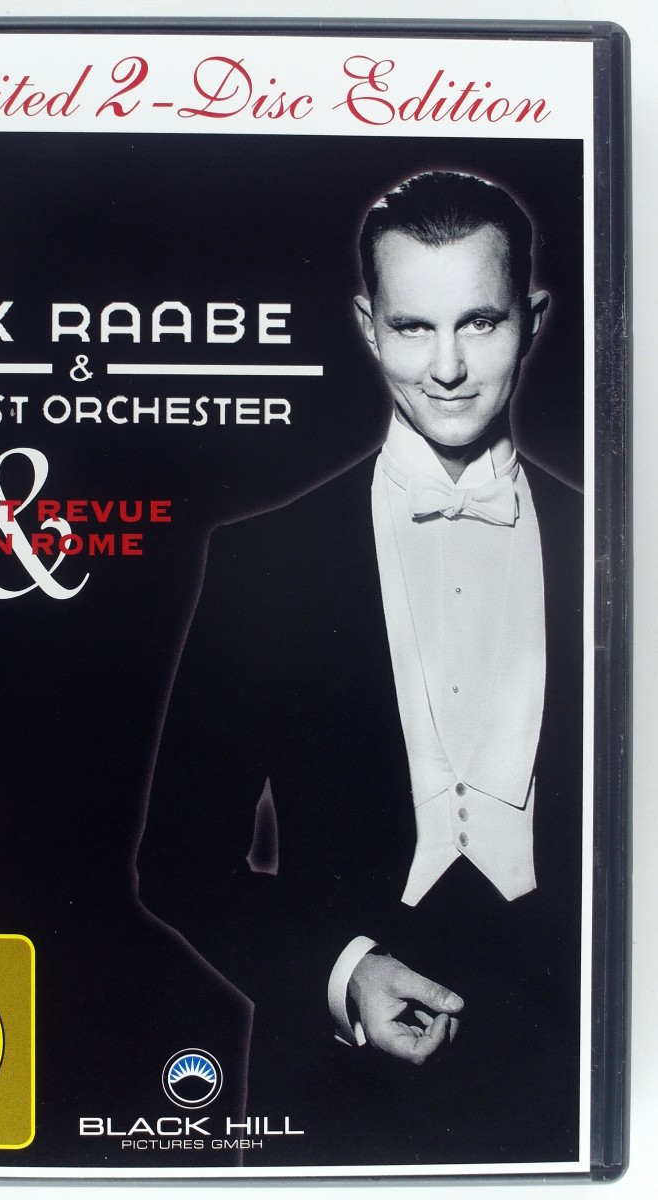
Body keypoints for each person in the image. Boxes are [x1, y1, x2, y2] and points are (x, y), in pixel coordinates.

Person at [137, 172, 583, 1167]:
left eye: (481, 322)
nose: (449, 367)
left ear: (533, 319)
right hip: (335, 1095)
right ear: (367, 328)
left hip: (581, 1069)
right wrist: (342, 973)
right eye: (414, 327)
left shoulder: (623, 554)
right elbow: (176, 858)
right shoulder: (264, 558)